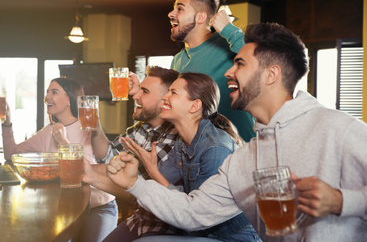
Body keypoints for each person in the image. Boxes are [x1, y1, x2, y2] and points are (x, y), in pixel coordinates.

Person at [106, 23, 367, 242]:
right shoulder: (243, 160)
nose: (229, 72)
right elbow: (193, 212)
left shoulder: (338, 128)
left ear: (271, 74)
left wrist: (341, 201)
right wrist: (134, 183)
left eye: (240, 64)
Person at [105, 72, 259, 242]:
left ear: (194, 106)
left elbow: (198, 214)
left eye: (173, 92)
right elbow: (175, 195)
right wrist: (153, 170)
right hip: (201, 231)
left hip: (231, 237)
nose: (165, 97)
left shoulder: (216, 148)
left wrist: (140, 178)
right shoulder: (182, 141)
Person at [1, 77, 118, 242]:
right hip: (65, 208)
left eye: (54, 92)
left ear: (70, 99)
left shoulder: (88, 128)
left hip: (99, 208)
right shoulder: (47, 131)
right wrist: (7, 122)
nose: (47, 96)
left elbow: (88, 171)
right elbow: (11, 154)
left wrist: (64, 143)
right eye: (47, 92)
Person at [83, 66, 180, 241]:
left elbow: (140, 192)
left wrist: (89, 175)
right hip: (140, 220)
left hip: (165, 228)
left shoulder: (174, 138)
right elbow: (109, 157)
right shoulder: (142, 129)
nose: (134, 95)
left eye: (144, 91)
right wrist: (96, 124)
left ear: (165, 101)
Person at [168, 0, 255, 142]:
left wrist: (229, 29)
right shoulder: (177, 61)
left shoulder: (229, 45)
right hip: (200, 154)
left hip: (243, 151)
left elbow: (263, 57)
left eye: (180, 9)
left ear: (201, 17)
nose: (171, 14)